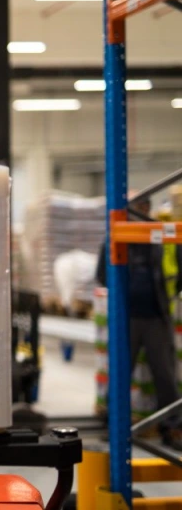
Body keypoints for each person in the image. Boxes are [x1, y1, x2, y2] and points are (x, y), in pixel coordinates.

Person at [96, 192, 182, 451]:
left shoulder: (165, 239)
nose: (141, 211)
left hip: (157, 316)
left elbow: (179, 273)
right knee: (121, 372)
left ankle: (173, 428)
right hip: (127, 318)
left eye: (145, 206)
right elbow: (102, 274)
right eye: (137, 207)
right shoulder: (115, 238)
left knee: (165, 375)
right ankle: (114, 428)